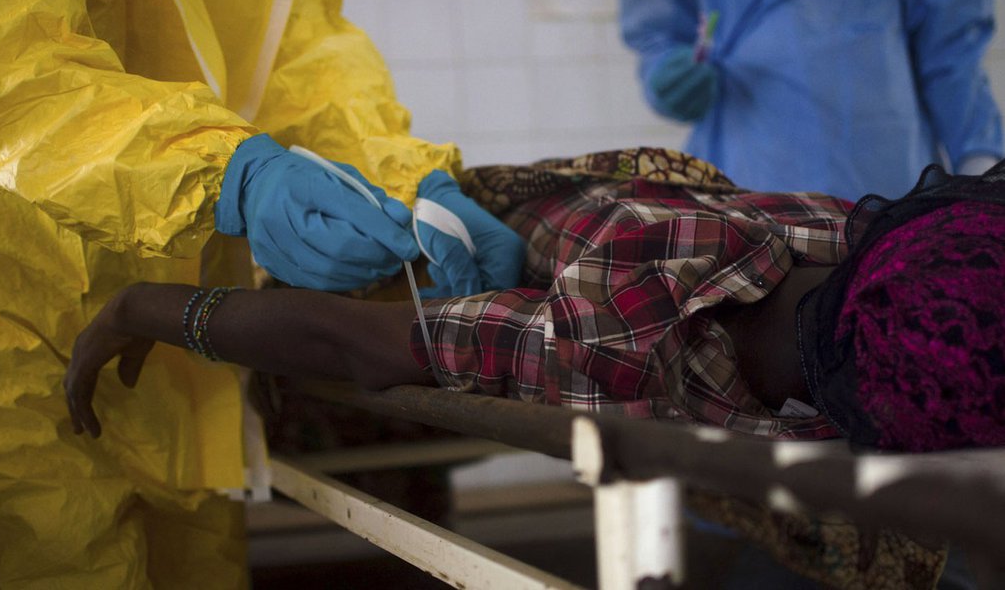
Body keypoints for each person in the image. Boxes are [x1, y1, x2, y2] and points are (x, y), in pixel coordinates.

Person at [64, 147, 1005, 588]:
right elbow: (360, 345)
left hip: (587, 232)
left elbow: (367, 348)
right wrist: (150, 306)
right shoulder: (612, 346)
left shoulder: (853, 236)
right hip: (551, 248)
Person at [0, 0, 522, 586]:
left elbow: (305, 67)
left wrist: (408, 179)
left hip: (189, 371)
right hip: (16, 327)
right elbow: (12, 73)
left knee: (193, 560)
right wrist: (222, 174)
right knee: (48, 547)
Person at [620, 0, 1005, 201]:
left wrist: (980, 162)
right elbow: (660, 27)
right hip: (750, 167)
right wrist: (668, 70)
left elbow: (952, 51)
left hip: (886, 171)